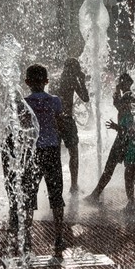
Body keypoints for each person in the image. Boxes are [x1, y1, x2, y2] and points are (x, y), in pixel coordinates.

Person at [0, 64, 65, 255]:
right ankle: (59, 239)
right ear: (47, 81)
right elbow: (59, 124)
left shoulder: (23, 103)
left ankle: (27, 239)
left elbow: (8, 119)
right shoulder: (55, 101)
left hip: (31, 153)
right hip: (51, 151)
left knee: (28, 196)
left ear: (26, 82)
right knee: (56, 196)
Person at [84, 72, 135, 201]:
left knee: (112, 168)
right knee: (129, 172)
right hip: (126, 139)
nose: (120, 84)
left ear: (128, 83)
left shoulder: (129, 97)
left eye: (122, 82)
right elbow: (119, 106)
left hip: (123, 139)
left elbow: (121, 110)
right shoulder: (130, 96)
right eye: (119, 81)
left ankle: (96, 194)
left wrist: (116, 127)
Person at [54, 58, 90, 191]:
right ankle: (73, 185)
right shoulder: (72, 80)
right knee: (74, 153)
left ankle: (56, 185)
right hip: (67, 120)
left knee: (55, 154)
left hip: (54, 121)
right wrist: (82, 81)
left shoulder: (55, 79)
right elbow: (85, 98)